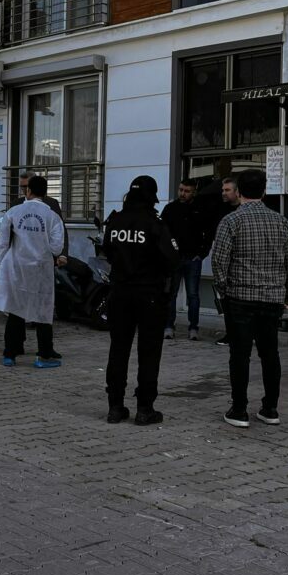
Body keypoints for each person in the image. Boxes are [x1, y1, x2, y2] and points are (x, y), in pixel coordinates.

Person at [211, 168, 288, 427]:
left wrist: (223, 289)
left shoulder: (231, 221)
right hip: (272, 297)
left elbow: (219, 261)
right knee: (270, 354)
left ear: (239, 191)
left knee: (240, 355)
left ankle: (239, 409)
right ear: (264, 191)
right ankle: (270, 408)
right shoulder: (280, 221)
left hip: (240, 296)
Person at [102, 175, 180, 425]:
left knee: (118, 349)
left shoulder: (115, 221)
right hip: (149, 296)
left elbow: (107, 252)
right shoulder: (155, 224)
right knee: (149, 352)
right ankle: (145, 409)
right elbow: (172, 259)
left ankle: (115, 407)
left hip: (119, 293)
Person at [0, 175, 66, 368]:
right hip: (41, 270)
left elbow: (4, 243)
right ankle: (44, 356)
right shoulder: (52, 216)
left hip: (17, 268)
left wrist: (1, 266)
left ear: (29, 190)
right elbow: (57, 248)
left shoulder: (14, 212)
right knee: (43, 311)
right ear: (45, 193)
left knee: (15, 309)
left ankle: (10, 354)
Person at [161, 178, 214, 341]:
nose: (182, 193)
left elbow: (209, 233)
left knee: (193, 295)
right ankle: (169, 326)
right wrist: (168, 253)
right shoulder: (170, 209)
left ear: (194, 192)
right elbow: (163, 232)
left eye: (187, 191)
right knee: (171, 294)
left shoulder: (201, 209)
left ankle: (193, 328)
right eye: (181, 190)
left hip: (193, 258)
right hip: (174, 259)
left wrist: (202, 253)